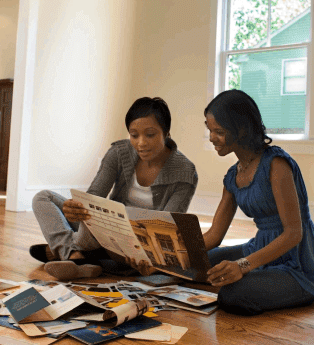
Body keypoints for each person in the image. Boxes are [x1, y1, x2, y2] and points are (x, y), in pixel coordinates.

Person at [29, 97, 198, 279]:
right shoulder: (119, 152)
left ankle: (69, 252)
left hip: (140, 243)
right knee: (43, 197)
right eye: (134, 135)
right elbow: (94, 196)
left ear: (166, 133)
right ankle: (75, 255)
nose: (141, 143)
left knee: (140, 256)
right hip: (105, 228)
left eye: (150, 134)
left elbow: (167, 228)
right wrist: (75, 209)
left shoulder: (185, 173)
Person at [202, 89, 314, 315]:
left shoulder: (276, 164)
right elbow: (214, 235)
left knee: (232, 295)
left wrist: (241, 266)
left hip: (298, 265)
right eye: (209, 130)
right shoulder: (233, 175)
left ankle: (261, 281)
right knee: (197, 265)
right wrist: (173, 253)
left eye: (218, 131)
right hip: (259, 248)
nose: (211, 137)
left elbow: (293, 233)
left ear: (241, 129)